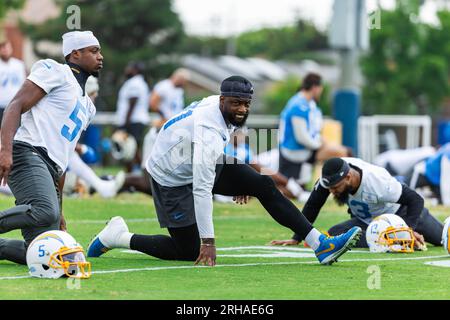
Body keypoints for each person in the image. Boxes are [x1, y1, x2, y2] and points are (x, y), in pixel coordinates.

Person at [87, 76, 362, 266]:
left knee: (262, 185)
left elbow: (216, 152)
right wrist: (209, 241)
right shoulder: (209, 128)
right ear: (222, 100)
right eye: (235, 103)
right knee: (189, 251)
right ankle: (117, 236)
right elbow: (202, 189)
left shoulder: (221, 110)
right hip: (170, 175)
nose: (241, 109)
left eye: (246, 103)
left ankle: (320, 245)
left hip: (194, 156)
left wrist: (242, 183)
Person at [0, 30, 102, 265]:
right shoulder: (55, 71)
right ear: (75, 54)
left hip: (52, 166)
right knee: (45, 210)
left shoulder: (88, 106)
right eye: (93, 51)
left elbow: (63, 156)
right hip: (28, 151)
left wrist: (60, 209)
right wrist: (5, 150)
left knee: (47, 251)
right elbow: (15, 105)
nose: (100, 56)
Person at [270, 157, 444, 249]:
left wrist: (408, 229)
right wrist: (297, 237)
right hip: (367, 221)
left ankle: (395, 237)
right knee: (334, 235)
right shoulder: (330, 179)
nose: (332, 192)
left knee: (443, 239)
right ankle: (392, 240)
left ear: (348, 177)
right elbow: (312, 205)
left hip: (401, 214)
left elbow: (415, 199)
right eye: (329, 188)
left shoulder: (377, 181)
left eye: (336, 187)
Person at [278, 73, 350, 186]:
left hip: (304, 148)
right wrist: (320, 145)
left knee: (344, 151)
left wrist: (323, 142)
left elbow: (313, 132)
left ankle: (336, 184)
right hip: (295, 150)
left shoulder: (308, 103)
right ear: (315, 88)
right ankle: (341, 186)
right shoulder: (298, 105)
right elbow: (301, 137)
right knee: (344, 153)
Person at [115, 61, 150, 172]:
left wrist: (126, 123)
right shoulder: (137, 82)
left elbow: (132, 103)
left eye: (129, 67)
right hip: (135, 120)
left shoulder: (135, 83)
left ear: (135, 70)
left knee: (130, 149)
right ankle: (134, 175)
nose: (127, 69)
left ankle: (142, 174)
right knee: (131, 149)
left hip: (133, 121)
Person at [0, 33, 26, 128]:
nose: (5, 50)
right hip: (1, 105)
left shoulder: (18, 64)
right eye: (2, 48)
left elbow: (23, 85)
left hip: (15, 105)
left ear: (11, 48)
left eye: (7, 47)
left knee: (15, 132)